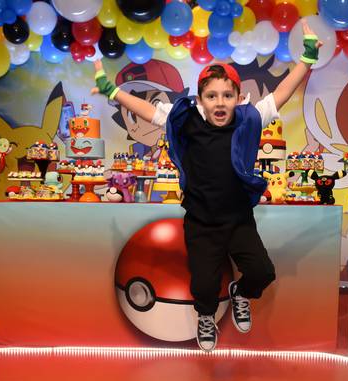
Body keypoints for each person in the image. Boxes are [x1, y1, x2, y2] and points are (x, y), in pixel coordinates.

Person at [92, 21, 322, 351]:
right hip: (201, 222)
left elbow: (282, 93)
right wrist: (111, 91)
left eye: (227, 96)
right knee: (203, 285)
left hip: (238, 220)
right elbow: (148, 110)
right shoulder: (186, 119)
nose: (220, 102)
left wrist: (307, 58)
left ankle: (240, 294)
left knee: (262, 272)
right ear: (200, 99)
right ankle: (205, 316)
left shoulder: (249, 118)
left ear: (238, 97)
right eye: (212, 96)